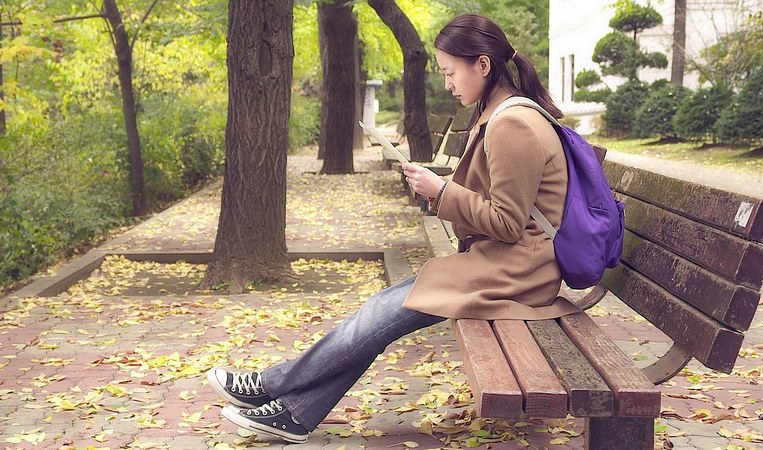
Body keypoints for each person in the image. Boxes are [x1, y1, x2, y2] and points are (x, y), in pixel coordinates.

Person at [206, 13, 579, 443]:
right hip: (503, 264)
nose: (448, 84)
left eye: (450, 72)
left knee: (380, 315)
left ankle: (271, 385)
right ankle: (294, 412)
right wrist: (439, 188)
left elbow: (508, 223)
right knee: (379, 313)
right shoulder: (500, 111)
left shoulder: (513, 124)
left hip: (519, 274)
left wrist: (441, 191)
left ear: (482, 65)